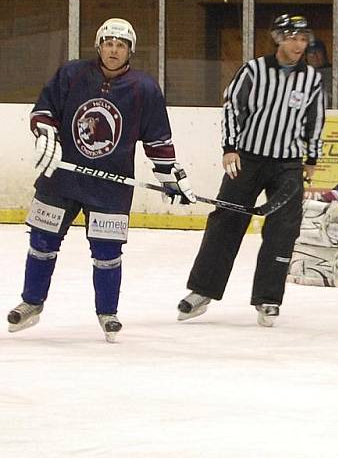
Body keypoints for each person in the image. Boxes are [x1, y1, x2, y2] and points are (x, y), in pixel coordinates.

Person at [6, 18, 196, 342]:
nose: (113, 49)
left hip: (111, 185)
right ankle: (31, 302)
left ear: (130, 51)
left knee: (107, 252)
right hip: (61, 177)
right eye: (108, 42)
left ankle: (108, 313)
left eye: (120, 45)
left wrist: (169, 175)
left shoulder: (144, 88)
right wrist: (45, 133)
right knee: (42, 240)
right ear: (99, 46)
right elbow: (44, 110)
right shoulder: (72, 74)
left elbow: (157, 139)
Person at [177, 13, 325, 327]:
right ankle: (202, 291)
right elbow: (233, 105)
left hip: (288, 165)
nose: (298, 44)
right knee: (225, 222)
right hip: (247, 159)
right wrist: (230, 147)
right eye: (292, 37)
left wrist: (311, 158)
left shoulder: (312, 79)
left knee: (283, 230)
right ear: (278, 39)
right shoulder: (254, 70)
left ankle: (268, 298)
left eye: (302, 39)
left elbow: (315, 119)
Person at [306, 39, 332, 108]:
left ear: (324, 55)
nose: (314, 56)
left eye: (318, 52)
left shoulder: (334, 74)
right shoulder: (302, 74)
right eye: (311, 53)